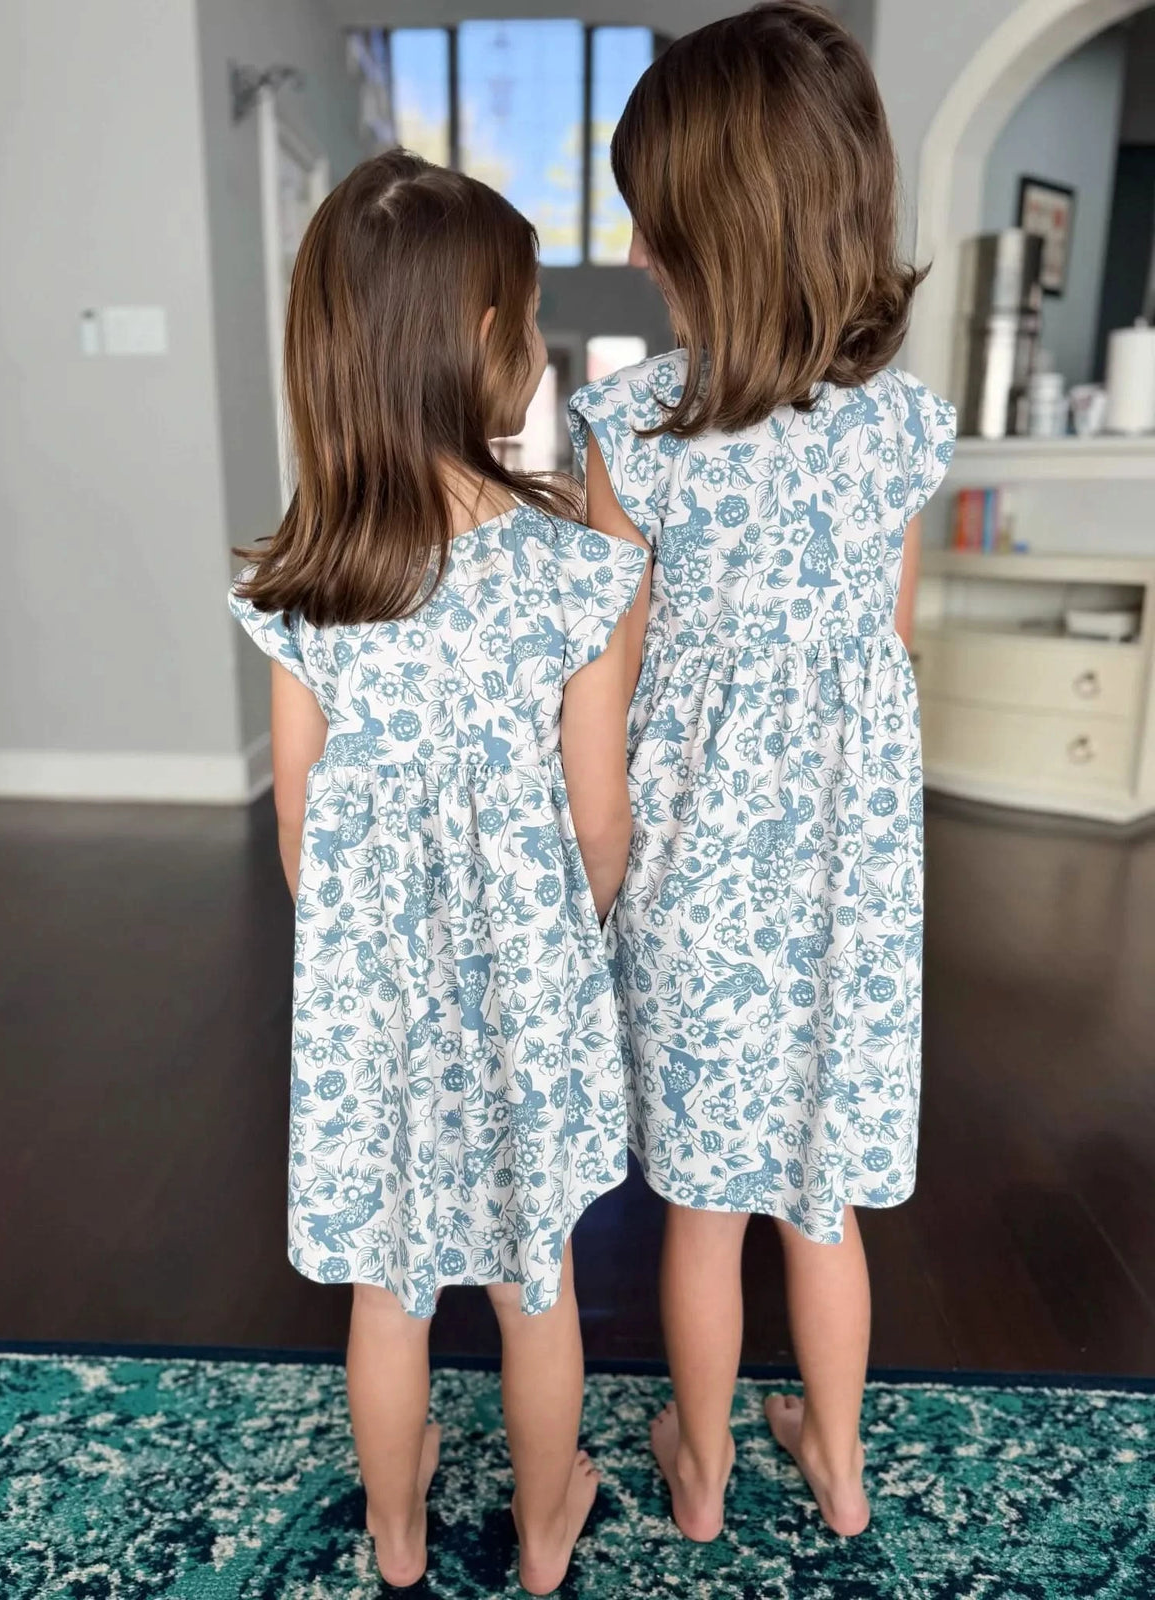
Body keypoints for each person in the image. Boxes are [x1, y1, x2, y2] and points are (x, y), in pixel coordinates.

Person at [230, 150, 648, 1593]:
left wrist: (368, 955)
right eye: (527, 321)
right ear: (484, 343)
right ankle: (545, 1534)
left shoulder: (309, 570)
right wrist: (552, 930)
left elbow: (299, 821)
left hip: (373, 998)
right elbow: (601, 818)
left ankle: (397, 1541)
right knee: (536, 1283)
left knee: (389, 1289)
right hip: (526, 983)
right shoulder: (571, 565)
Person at [567, 1, 955, 1546]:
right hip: (848, 894)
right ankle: (843, 1470)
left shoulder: (635, 429)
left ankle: (708, 1468)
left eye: (656, 228)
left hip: (693, 894)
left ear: (706, 243)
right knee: (825, 1201)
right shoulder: (904, 435)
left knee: (703, 1212)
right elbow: (892, 651)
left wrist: (590, 875)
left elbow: (600, 692)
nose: (644, 253)